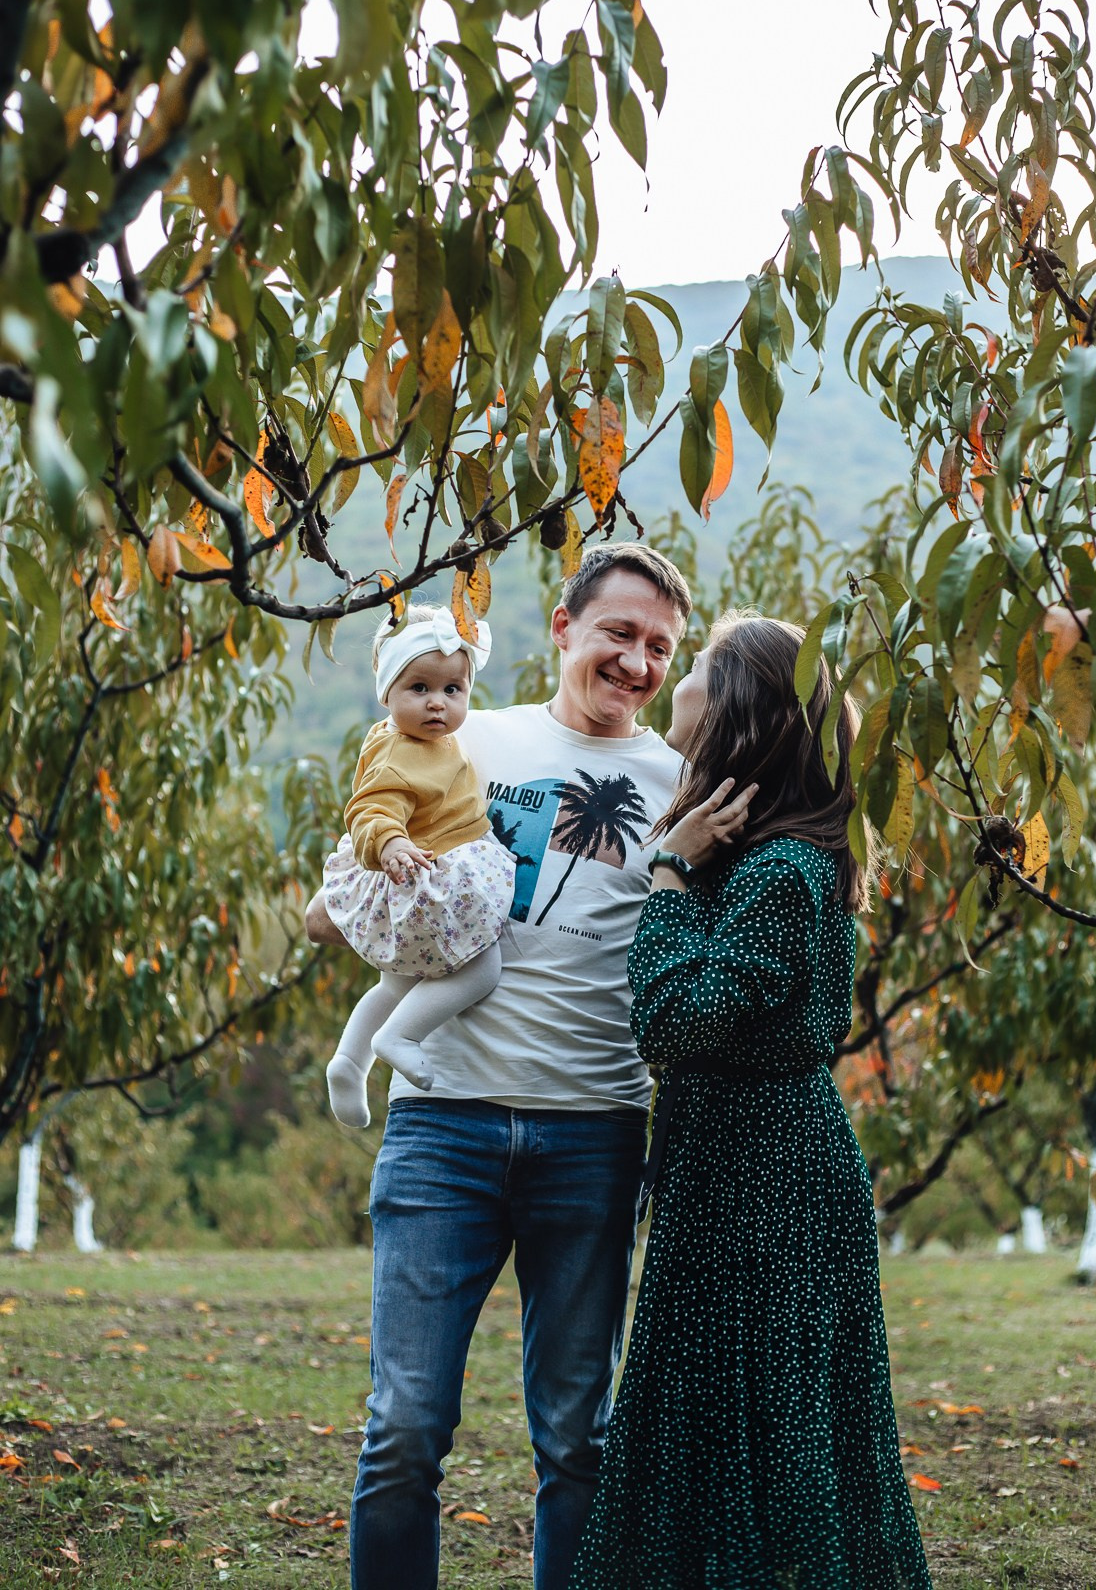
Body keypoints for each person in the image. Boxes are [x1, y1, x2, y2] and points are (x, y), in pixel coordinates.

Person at [304, 543, 697, 1590]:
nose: (638, 662)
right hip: (446, 1125)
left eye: (661, 646)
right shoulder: (468, 729)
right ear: (563, 629)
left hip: (594, 1135)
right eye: (620, 632)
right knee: (403, 1433)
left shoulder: (678, 782)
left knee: (579, 1441)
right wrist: (340, 901)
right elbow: (364, 851)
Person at [568, 611, 934, 1590]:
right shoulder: (781, 861)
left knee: (763, 1429)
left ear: (740, 711)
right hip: (739, 1171)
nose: (673, 680)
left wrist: (671, 872)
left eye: (695, 665)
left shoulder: (776, 874)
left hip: (762, 1181)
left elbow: (676, 1021)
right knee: (756, 1424)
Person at [322, 603, 517, 1120]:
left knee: (396, 983)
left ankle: (348, 1060)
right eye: (420, 689)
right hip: (424, 873)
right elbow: (370, 807)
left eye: (452, 690)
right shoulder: (400, 751)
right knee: (482, 969)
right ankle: (400, 1037)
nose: (438, 705)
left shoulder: (417, 737)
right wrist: (389, 843)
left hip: (426, 868)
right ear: (388, 692)